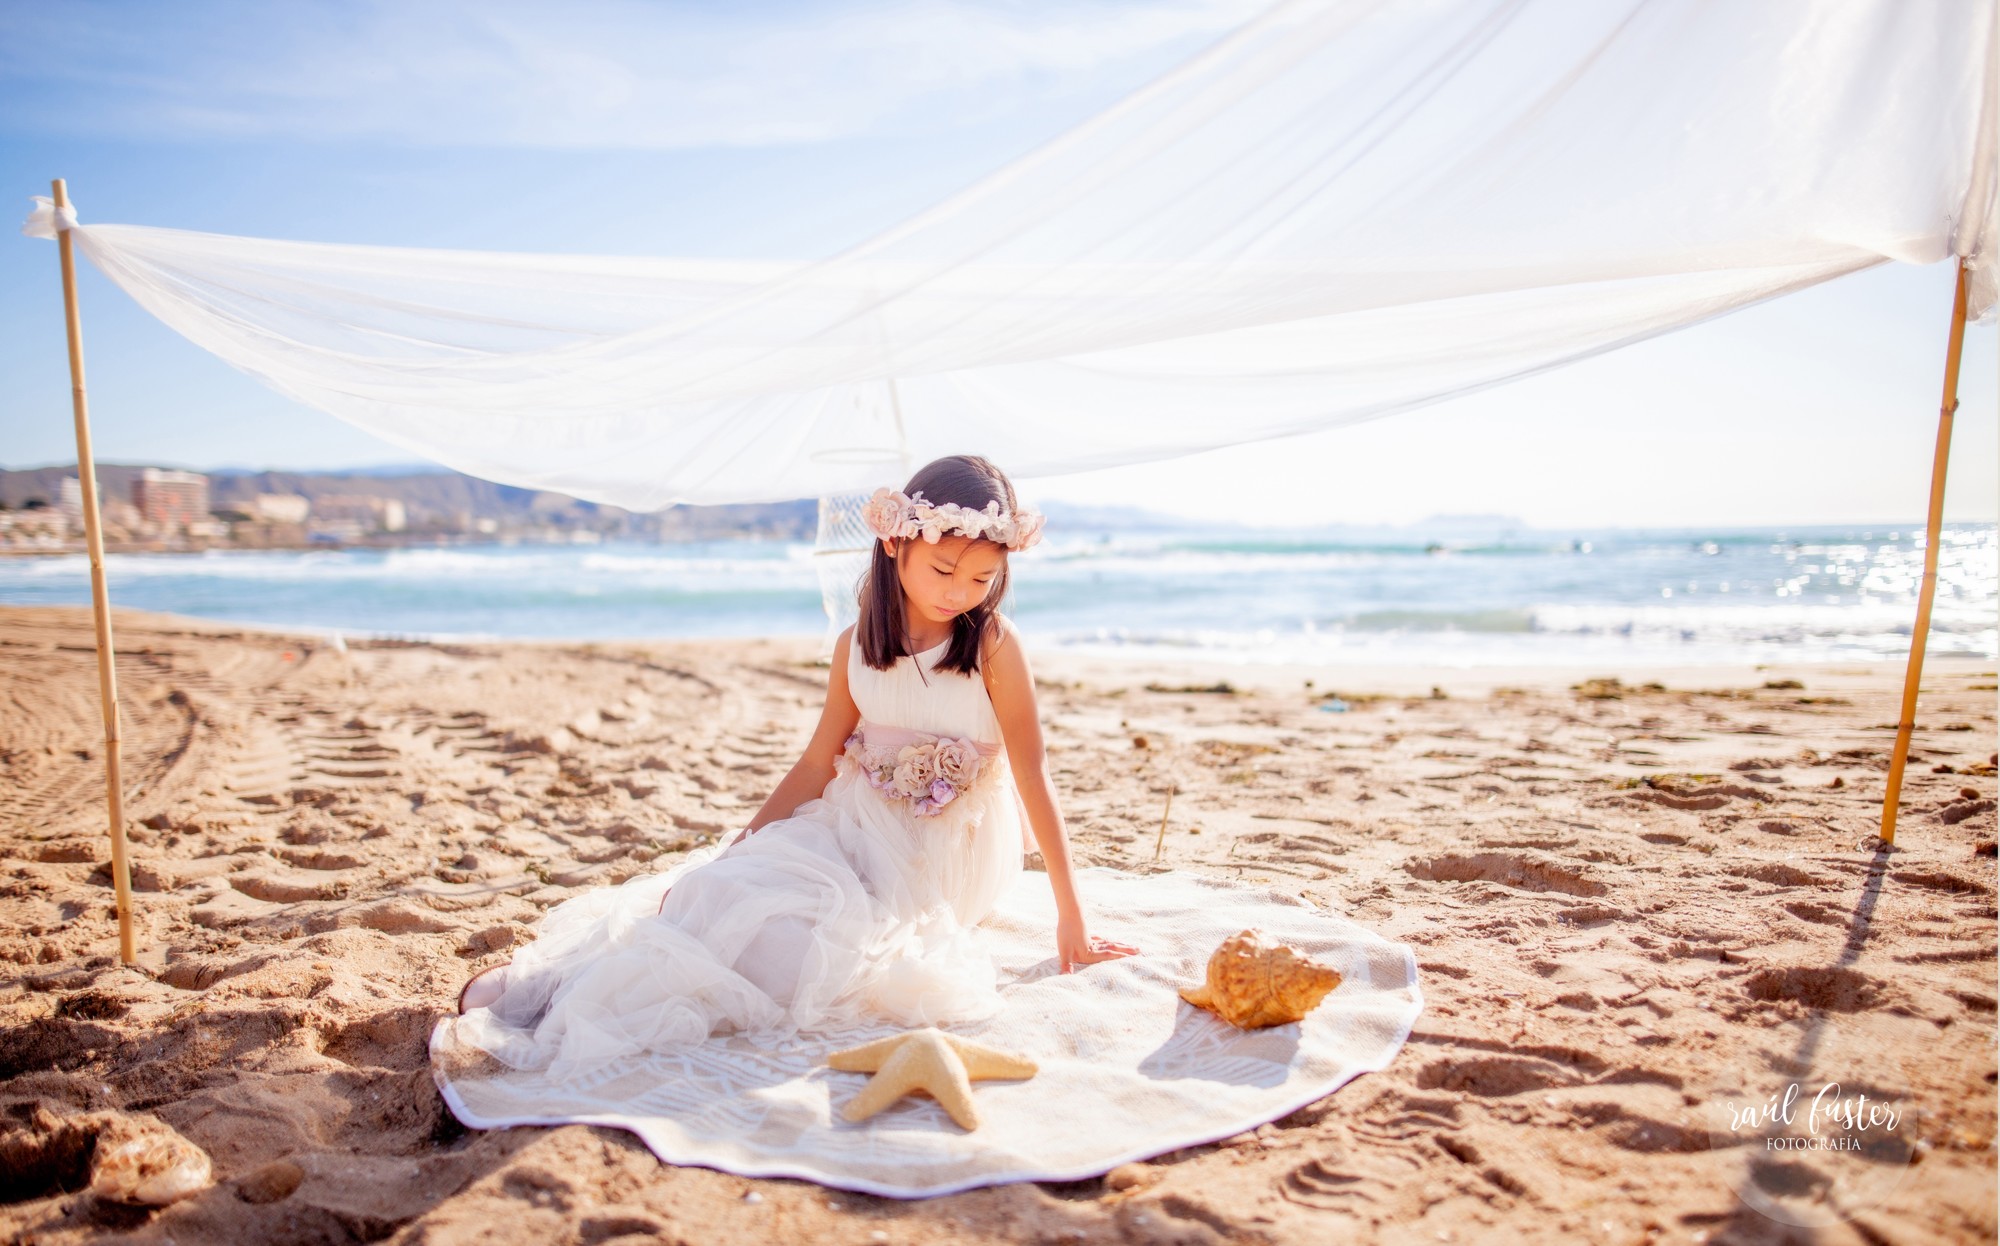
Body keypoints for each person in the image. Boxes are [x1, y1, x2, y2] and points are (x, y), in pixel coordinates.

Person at [448, 454, 1137, 1080]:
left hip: (940, 859)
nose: (961, 591)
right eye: (944, 570)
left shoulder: (991, 644)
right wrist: (734, 851)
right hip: (852, 822)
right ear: (895, 544)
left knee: (793, 953)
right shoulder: (855, 647)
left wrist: (1069, 916)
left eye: (983, 577)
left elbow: (1033, 770)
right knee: (713, 896)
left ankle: (587, 1003)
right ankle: (543, 993)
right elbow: (816, 764)